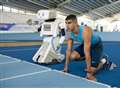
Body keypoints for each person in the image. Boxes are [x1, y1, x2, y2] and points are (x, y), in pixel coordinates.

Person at [63, 14, 115, 80]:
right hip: (85, 44)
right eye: (66, 23)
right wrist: (66, 68)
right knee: (73, 56)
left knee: (92, 71)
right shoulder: (68, 32)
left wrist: (89, 73)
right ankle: (93, 60)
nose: (67, 25)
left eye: (69, 23)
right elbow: (68, 50)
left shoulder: (85, 31)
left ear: (75, 22)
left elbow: (86, 52)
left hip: (96, 45)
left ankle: (104, 61)